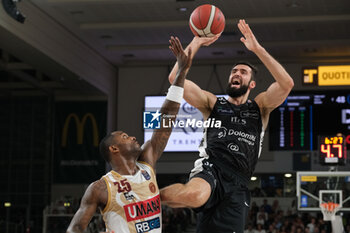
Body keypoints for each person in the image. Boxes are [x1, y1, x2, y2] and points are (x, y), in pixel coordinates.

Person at [160, 19, 294, 233]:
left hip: (239, 183)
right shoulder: (213, 102)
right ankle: (148, 200)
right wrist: (195, 42)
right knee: (193, 195)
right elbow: (175, 79)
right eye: (234, 71)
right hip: (211, 167)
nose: (236, 74)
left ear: (251, 84)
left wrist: (257, 49)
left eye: (242, 72)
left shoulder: (260, 107)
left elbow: (287, 84)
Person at [66, 36, 193, 233]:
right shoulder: (101, 188)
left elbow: (166, 120)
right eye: (125, 136)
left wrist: (182, 72)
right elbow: (75, 228)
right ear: (114, 148)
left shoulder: (147, 165)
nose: (133, 137)